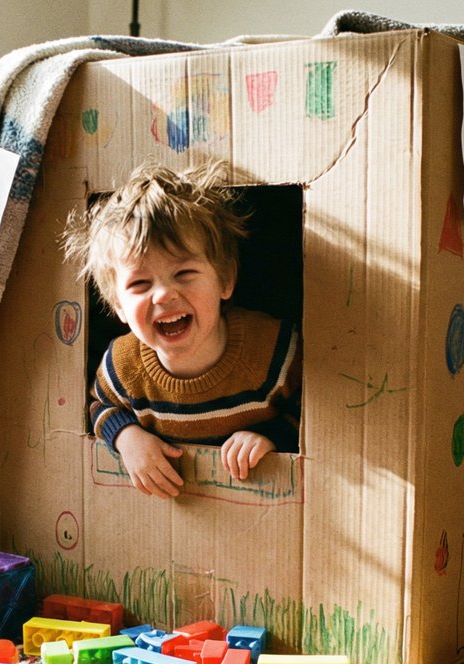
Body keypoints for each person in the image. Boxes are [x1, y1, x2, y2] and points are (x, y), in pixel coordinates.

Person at [61, 161, 301, 499]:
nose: (163, 294)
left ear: (225, 280)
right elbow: (98, 406)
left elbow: (315, 406)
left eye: (184, 273)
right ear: (118, 306)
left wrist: (272, 436)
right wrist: (126, 437)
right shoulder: (123, 366)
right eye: (140, 283)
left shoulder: (272, 349)